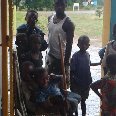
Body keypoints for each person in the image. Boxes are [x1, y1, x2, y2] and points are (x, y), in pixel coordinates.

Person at [47, 0, 75, 87]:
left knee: (62, 85)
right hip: (50, 55)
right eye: (57, 4)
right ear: (54, 5)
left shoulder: (68, 23)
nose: (59, 7)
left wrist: (65, 62)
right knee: (48, 82)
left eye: (62, 5)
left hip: (61, 58)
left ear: (65, 5)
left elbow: (69, 44)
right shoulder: (50, 18)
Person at [70, 35, 100, 116]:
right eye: (81, 44)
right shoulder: (75, 56)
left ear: (88, 46)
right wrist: (72, 82)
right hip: (77, 83)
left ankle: (84, 114)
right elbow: (72, 70)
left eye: (85, 44)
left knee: (83, 101)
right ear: (78, 45)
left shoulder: (87, 54)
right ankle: (76, 114)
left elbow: (89, 64)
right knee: (75, 101)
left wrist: (99, 63)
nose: (83, 46)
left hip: (86, 83)